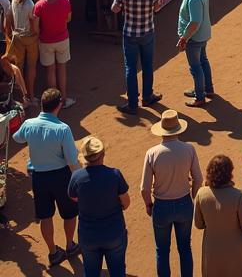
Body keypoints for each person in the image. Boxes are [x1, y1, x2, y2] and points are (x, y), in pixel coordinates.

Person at [12, 87, 80, 268]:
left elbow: (17, 138)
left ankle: (53, 252)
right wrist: (79, 176)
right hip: (61, 177)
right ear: (58, 106)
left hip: (39, 179)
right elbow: (72, 160)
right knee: (70, 214)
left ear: (42, 105)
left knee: (45, 217)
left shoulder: (29, 124)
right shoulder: (63, 129)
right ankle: (70, 245)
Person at [142, 110, 203, 277]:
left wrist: (149, 205)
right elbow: (198, 179)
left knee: (162, 251)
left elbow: (144, 189)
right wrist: (192, 196)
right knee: (185, 248)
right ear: (178, 129)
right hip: (184, 204)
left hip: (161, 206)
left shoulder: (152, 153)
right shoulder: (189, 149)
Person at [68, 135, 130, 277]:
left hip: (88, 235)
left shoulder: (76, 177)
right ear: (103, 154)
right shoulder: (114, 175)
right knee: (118, 271)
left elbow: (72, 196)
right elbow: (126, 203)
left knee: (91, 272)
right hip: (114, 233)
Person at [110, 0, 162, 115]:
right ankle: (147, 96)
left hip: (130, 34)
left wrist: (125, 7)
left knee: (131, 68)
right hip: (147, 32)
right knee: (147, 65)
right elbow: (157, 7)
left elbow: (114, 9)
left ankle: (133, 103)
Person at [194, 154, 242, 275]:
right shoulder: (238, 195)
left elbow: (199, 224)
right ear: (229, 173)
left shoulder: (201, 194)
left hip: (211, 250)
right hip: (236, 251)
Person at [175, 0, 214, 107]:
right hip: (203, 34)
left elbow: (194, 22)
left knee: (195, 66)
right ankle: (207, 89)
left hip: (195, 37)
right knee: (203, 60)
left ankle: (200, 96)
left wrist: (184, 37)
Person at [34, 0, 74, 106]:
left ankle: (54, 103)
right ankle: (64, 99)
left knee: (50, 71)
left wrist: (41, 33)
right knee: (62, 69)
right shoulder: (65, 1)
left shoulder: (39, 5)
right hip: (62, 39)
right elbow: (68, 19)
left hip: (46, 41)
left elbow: (35, 27)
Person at [7, 0, 41, 104]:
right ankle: (31, 96)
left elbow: (9, 19)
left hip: (17, 36)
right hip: (29, 38)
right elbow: (33, 26)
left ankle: (22, 97)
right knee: (31, 66)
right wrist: (38, 34)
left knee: (19, 67)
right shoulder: (30, 4)